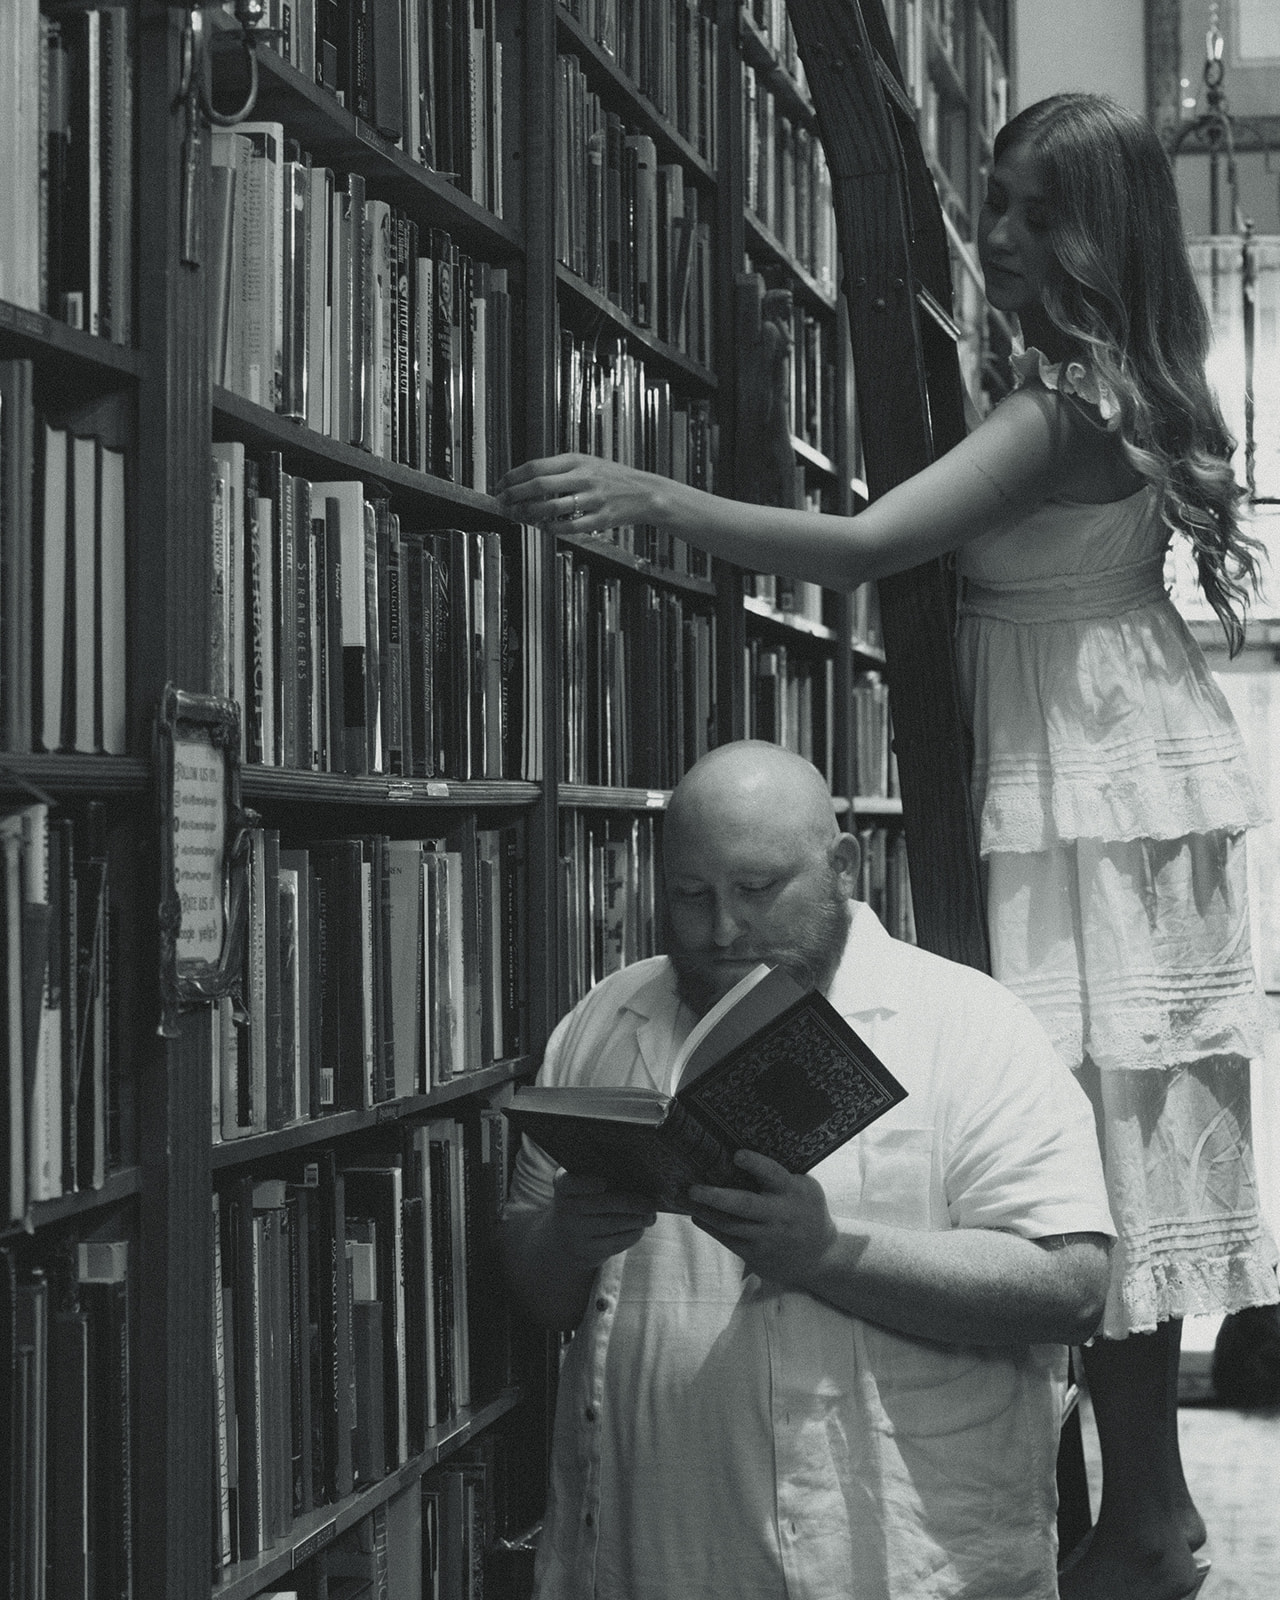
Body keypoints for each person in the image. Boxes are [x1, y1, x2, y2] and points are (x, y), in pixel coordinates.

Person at [497, 94, 1279, 1600]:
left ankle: (1146, 1515)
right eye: (984, 202)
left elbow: (866, 548)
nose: (992, 238)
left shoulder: (1069, 406)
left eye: (1023, 212)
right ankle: (1143, 1504)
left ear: (1091, 231)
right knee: (1104, 1103)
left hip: (1071, 755)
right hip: (1098, 737)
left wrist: (653, 495)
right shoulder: (1094, 382)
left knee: (1086, 1109)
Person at [500, 741, 1114, 1600]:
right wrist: (565, 1239)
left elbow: (1072, 1285)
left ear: (842, 866)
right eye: (690, 895)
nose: (721, 930)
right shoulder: (604, 1020)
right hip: (646, 1556)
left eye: (757, 891)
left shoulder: (968, 1024)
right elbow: (533, 1286)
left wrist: (827, 1254)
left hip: (902, 1563)